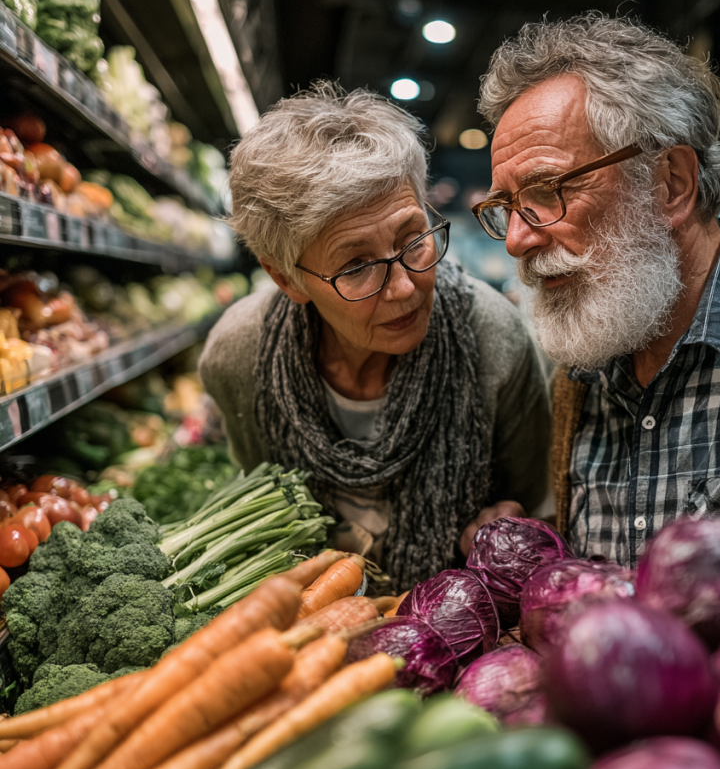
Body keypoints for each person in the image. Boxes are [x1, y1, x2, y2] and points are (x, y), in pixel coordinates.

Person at [471, 14, 720, 622]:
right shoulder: (584, 362)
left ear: (671, 184)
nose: (517, 240)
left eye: (548, 191)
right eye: (507, 206)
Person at [200, 82, 550, 591]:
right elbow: (264, 504)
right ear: (287, 279)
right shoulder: (241, 356)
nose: (406, 286)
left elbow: (533, 504)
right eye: (357, 265)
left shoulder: (493, 338)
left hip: (449, 630)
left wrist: (508, 525)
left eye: (413, 238)